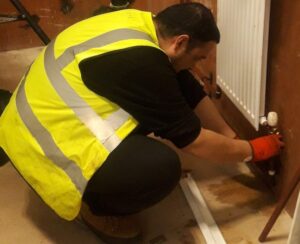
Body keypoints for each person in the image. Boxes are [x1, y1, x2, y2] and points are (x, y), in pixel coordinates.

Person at [0, 2, 283, 243]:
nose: (200, 64)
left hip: (31, 118)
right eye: (199, 57)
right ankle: (98, 208)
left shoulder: (144, 26)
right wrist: (255, 149)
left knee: (173, 81)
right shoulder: (143, 64)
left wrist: (229, 136)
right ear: (181, 41)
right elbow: (193, 140)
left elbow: (184, 82)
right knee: (161, 166)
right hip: (42, 149)